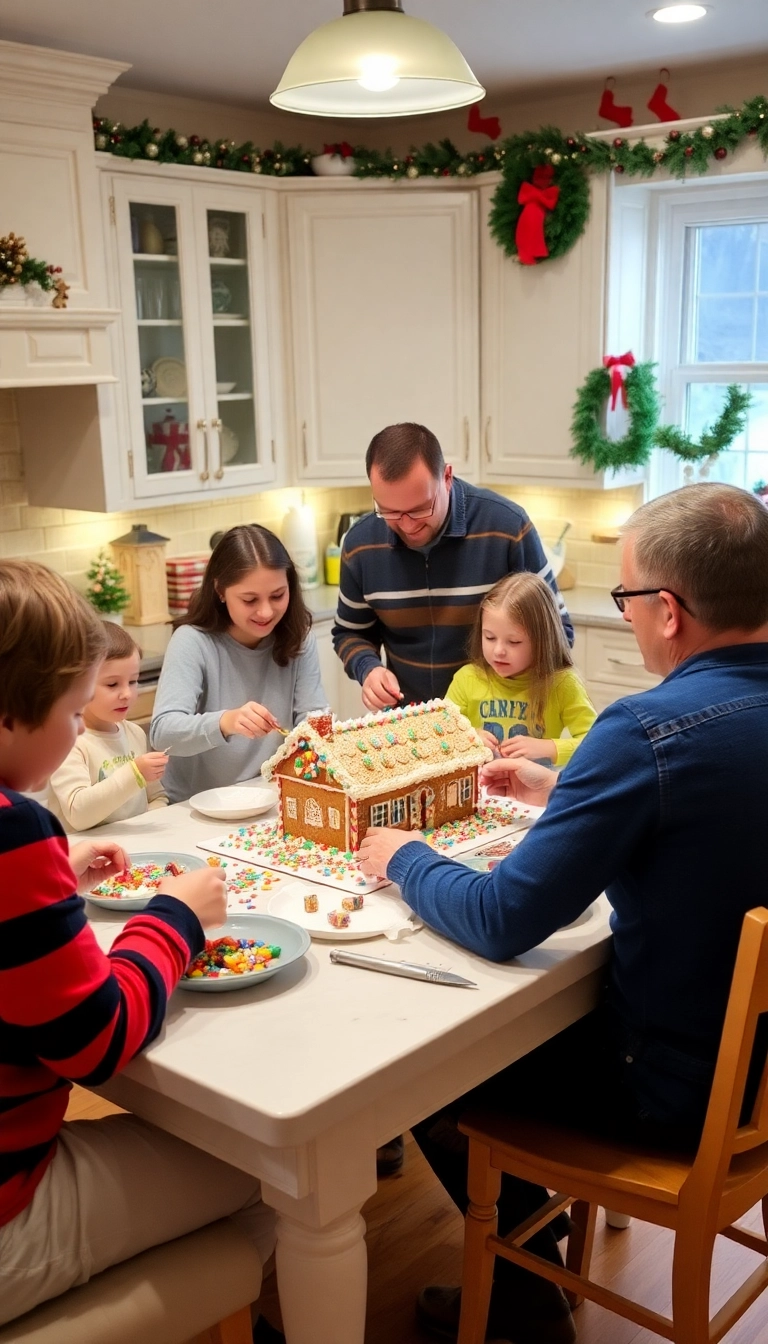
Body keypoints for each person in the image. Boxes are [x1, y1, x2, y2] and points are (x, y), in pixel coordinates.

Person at [358, 482, 768, 1343]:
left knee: (431, 1075)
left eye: (624, 597)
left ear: (667, 611)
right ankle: (535, 1256)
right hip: (757, 1078)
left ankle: (526, 1301)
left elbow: (506, 917)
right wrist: (564, 794)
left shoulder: (646, 730)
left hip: (670, 1091)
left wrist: (406, 857)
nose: (622, 614)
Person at [0, 561, 282, 1341]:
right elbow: (95, 1044)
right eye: (66, 711)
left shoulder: (24, 836)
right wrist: (172, 920)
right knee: (274, 1172)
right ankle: (222, 1304)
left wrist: (52, 861)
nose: (70, 735)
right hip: (8, 1214)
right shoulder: (9, 833)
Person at [332, 422, 573, 712]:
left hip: (497, 725)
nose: (407, 525)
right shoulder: (360, 545)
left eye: (422, 508)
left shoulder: (507, 528)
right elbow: (350, 632)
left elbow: (558, 632)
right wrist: (368, 668)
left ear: (447, 476)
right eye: (390, 511)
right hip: (409, 725)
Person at [151, 525, 327, 803]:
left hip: (270, 796)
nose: (266, 611)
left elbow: (313, 721)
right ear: (220, 590)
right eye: (249, 600)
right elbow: (163, 733)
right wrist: (225, 721)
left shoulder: (299, 636)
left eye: (278, 595)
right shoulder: (192, 642)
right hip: (194, 807)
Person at [446, 572, 595, 766]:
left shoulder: (562, 684)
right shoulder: (467, 679)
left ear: (542, 641)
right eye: (489, 637)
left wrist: (549, 748)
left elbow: (596, 744)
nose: (498, 651)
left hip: (535, 791)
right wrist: (467, 738)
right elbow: (440, 733)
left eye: (514, 641)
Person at [48, 621, 169, 830]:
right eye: (112, 684)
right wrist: (135, 774)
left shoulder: (135, 733)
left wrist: (150, 819)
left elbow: (156, 796)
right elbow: (78, 814)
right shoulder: (66, 742)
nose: (127, 694)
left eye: (133, 681)